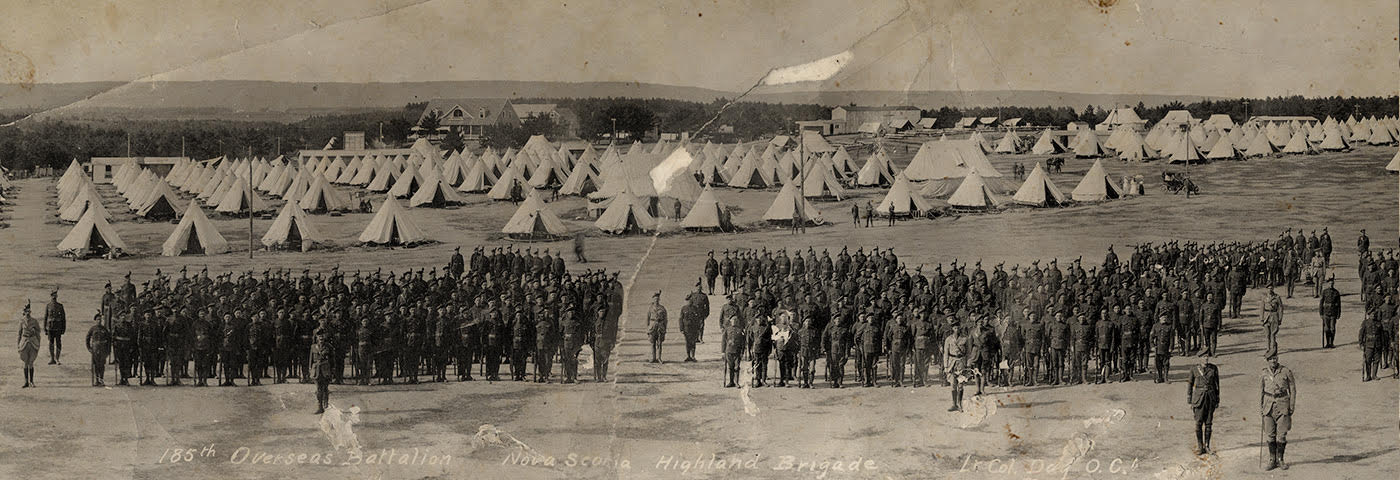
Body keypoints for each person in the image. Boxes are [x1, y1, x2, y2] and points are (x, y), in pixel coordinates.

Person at [1260, 353, 1296, 471]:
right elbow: (1261, 391)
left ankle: (1280, 459)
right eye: (1270, 359)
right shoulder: (1264, 373)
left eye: (1275, 358)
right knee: (1270, 434)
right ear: (1267, 360)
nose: (1273, 361)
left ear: (1277, 359)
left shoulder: (1285, 371)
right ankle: (1272, 460)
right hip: (1268, 406)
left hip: (1283, 405)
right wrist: (1261, 407)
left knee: (1281, 435)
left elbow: (1292, 389)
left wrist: (1291, 405)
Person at [1186, 354, 1220, 455]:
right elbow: (1190, 384)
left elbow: (1217, 385)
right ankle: (1200, 447)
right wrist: (1190, 399)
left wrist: (1217, 398)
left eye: (1207, 357)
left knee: (1209, 423)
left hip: (1210, 398)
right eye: (1203, 357)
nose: (1206, 359)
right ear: (1199, 358)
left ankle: (1207, 446)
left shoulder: (1213, 368)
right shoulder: (1194, 369)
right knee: (1198, 423)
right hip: (1198, 399)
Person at [943, 318, 967, 411]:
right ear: (952, 328)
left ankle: (960, 404)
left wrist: (967, 364)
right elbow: (946, 353)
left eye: (958, 327)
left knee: (960, 384)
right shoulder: (948, 339)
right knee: (953, 384)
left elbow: (968, 352)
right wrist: (945, 366)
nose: (956, 329)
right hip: (952, 363)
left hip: (961, 362)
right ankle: (954, 404)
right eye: (955, 327)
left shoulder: (965, 338)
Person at [17, 302, 41, 388]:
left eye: (28, 311)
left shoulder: (34, 321)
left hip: (33, 342)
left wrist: (38, 341)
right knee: (25, 362)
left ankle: (32, 381)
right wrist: (18, 344)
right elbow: (19, 334)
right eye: (25, 311)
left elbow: (38, 332)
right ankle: (26, 381)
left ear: (30, 312)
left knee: (31, 362)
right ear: (24, 312)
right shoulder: (21, 321)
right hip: (24, 342)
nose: (27, 313)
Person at [310, 327, 333, 414]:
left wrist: (332, 370)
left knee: (325, 388)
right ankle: (320, 406)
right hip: (316, 370)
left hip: (325, 369)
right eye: (319, 336)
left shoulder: (329, 347)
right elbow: (311, 360)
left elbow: (332, 359)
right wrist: (310, 370)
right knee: (318, 389)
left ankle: (326, 404)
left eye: (322, 336)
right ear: (316, 337)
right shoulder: (313, 347)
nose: (321, 338)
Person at [86, 313, 111, 386]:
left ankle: (101, 379)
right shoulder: (92, 329)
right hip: (95, 349)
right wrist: (89, 348)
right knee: (96, 365)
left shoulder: (104, 329)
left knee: (102, 365)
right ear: (95, 321)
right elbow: (87, 338)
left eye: (100, 320)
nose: (99, 321)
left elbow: (109, 340)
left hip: (103, 349)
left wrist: (108, 350)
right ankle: (96, 380)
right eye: (97, 320)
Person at [1359, 309, 1384, 381]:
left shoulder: (1379, 323)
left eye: (1374, 314)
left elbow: (1382, 334)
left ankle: (1374, 375)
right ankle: (1368, 376)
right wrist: (1361, 344)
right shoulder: (1365, 323)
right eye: (1372, 314)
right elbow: (1361, 334)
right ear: (1369, 315)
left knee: (1376, 360)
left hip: (1378, 344)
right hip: (1368, 344)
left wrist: (1382, 344)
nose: (1373, 315)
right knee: (1368, 360)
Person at [1260, 286, 1283, 358]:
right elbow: (1262, 308)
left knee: (1273, 334)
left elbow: (1281, 308)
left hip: (1274, 316)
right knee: (1267, 334)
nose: (1270, 289)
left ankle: (1273, 350)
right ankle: (1267, 349)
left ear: (1273, 288)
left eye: (1271, 288)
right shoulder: (1264, 297)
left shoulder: (1277, 297)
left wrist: (1280, 318)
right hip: (1266, 317)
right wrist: (1261, 318)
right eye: (1268, 288)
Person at [44, 289, 65, 365]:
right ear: (50, 296)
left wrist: (63, 328)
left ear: (57, 296)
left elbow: (63, 318)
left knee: (58, 342)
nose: (54, 297)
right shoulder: (48, 306)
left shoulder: (60, 306)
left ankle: (58, 359)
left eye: (55, 295)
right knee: (51, 343)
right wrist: (45, 328)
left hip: (58, 327)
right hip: (50, 327)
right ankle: (52, 359)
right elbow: (45, 317)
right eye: (52, 295)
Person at [1319, 277, 1341, 348]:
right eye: (1330, 283)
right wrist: (1321, 313)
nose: (1331, 285)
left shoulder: (1336, 292)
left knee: (1332, 328)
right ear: (1327, 284)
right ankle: (1327, 342)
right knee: (1326, 329)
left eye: (1332, 283)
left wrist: (1338, 314)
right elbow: (1321, 303)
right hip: (1326, 312)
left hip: (1333, 312)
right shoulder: (1324, 292)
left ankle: (1331, 343)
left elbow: (1339, 304)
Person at [1151, 314, 1173, 383]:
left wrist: (1171, 347)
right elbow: (1151, 337)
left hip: (1166, 348)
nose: (1164, 318)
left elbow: (1171, 338)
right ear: (1159, 318)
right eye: (1163, 317)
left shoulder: (1169, 326)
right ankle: (1160, 377)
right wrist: (1152, 346)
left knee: (1166, 363)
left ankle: (1166, 378)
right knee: (1158, 363)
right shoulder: (1155, 326)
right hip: (1158, 347)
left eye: (1165, 317)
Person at [647, 292, 667, 364]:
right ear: (653, 300)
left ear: (659, 300)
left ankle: (659, 358)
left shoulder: (662, 308)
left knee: (659, 343)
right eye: (655, 299)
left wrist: (664, 328)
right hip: (652, 326)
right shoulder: (650, 308)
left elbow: (665, 319)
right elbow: (648, 318)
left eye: (658, 299)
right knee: (652, 343)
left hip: (660, 326)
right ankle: (653, 358)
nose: (656, 300)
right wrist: (648, 328)